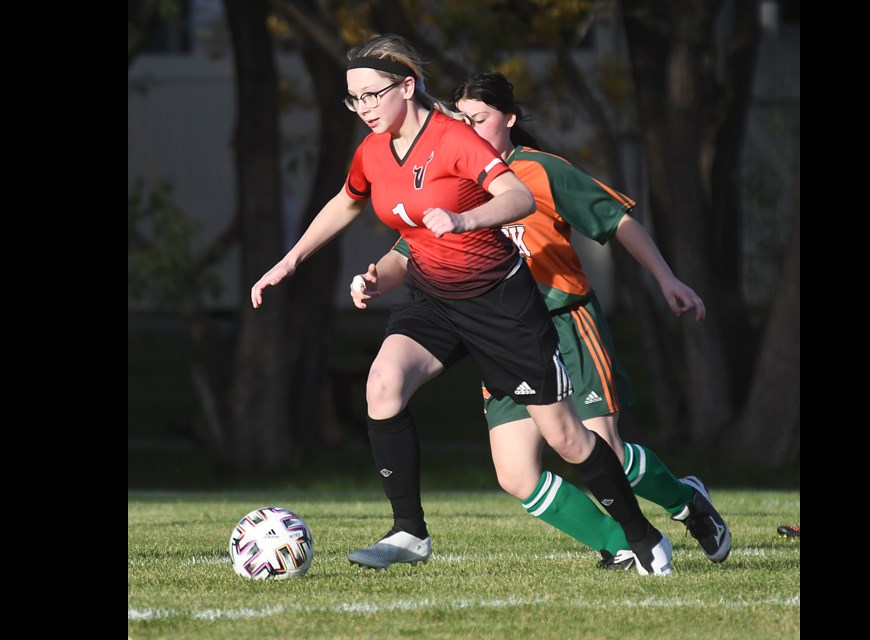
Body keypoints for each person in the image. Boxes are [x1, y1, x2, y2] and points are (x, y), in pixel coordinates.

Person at [251, 35, 672, 576]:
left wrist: (464, 221)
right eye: (354, 100)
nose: (364, 109)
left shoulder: (452, 138)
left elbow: (517, 197)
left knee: (567, 438)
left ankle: (642, 536)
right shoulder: (373, 150)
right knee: (382, 384)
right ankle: (409, 532)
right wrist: (294, 261)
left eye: (373, 96)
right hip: (433, 299)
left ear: (407, 87)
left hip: (501, 303)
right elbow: (348, 199)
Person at [350, 71, 730, 570]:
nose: (467, 128)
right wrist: (378, 276)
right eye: (460, 119)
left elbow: (617, 221)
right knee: (515, 474)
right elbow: (408, 250)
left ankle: (684, 502)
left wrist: (667, 279)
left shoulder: (538, 171)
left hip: (564, 322)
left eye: (479, 119)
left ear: (508, 119)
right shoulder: (441, 174)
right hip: (496, 330)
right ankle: (618, 541)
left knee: (600, 449)